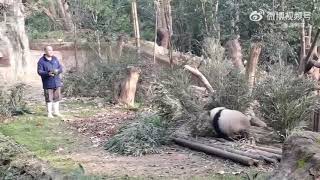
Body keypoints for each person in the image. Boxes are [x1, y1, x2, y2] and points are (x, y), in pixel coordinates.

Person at [37, 46, 63, 118]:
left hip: (56, 82)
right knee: (49, 99)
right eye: (49, 50)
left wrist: (58, 71)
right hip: (48, 83)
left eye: (52, 50)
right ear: (45, 51)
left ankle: (56, 112)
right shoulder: (41, 61)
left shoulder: (55, 59)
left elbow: (60, 68)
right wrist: (47, 73)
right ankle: (49, 113)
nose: (51, 51)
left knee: (57, 98)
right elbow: (39, 72)